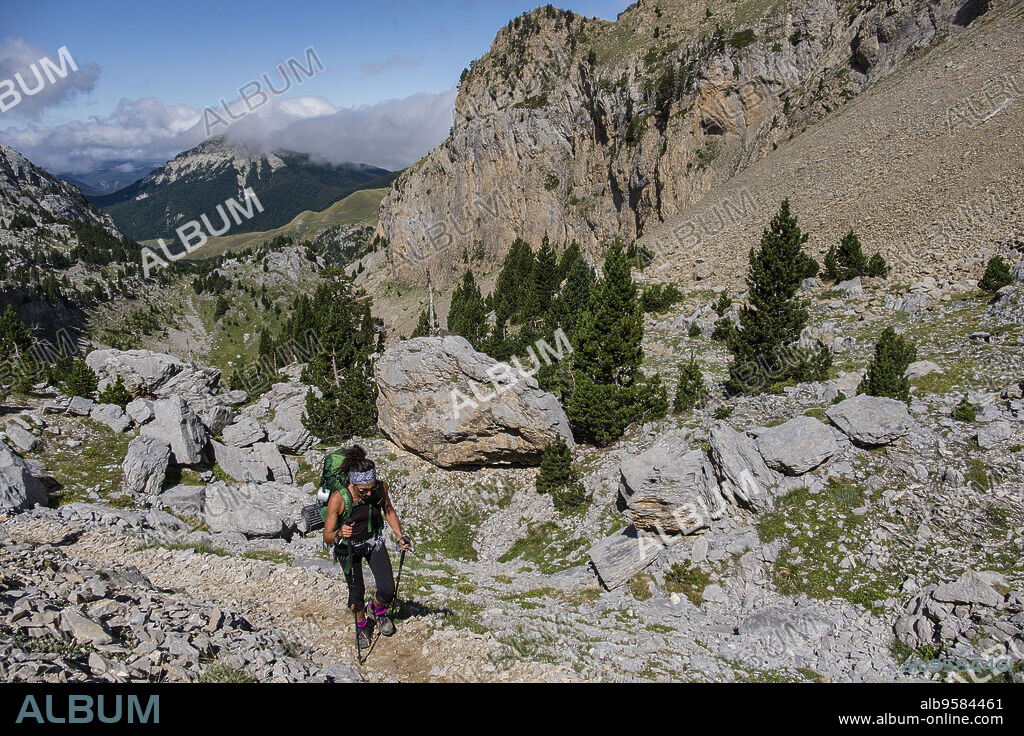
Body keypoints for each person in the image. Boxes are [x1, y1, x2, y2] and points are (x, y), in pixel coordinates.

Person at [322, 444, 411, 651]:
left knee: (388, 589)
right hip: (348, 548)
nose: (369, 493)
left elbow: (388, 511)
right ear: (353, 484)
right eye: (364, 490)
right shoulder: (338, 498)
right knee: (356, 594)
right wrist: (338, 534)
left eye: (371, 487)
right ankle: (362, 626)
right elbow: (326, 536)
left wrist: (400, 537)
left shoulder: (379, 488)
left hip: (373, 542)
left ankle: (377, 611)